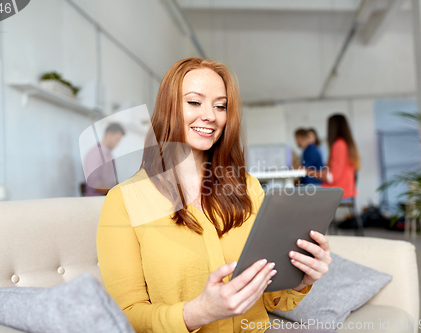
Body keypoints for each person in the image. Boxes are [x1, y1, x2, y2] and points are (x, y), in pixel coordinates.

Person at [96, 58, 334, 333]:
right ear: (167, 108)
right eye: (194, 102)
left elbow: (270, 296)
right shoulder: (124, 200)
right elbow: (125, 316)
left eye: (220, 106)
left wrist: (301, 279)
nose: (211, 115)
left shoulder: (248, 187)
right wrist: (198, 313)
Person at [305, 114, 360, 199]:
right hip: (346, 189)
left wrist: (308, 171)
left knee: (301, 193)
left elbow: (332, 177)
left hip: (338, 190)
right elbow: (334, 172)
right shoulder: (346, 144)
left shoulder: (339, 145)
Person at [83, 123, 125, 196]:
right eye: (116, 139)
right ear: (108, 135)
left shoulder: (109, 155)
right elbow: (93, 183)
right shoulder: (94, 154)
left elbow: (112, 181)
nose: (117, 144)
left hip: (108, 197)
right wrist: (114, 193)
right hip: (96, 199)